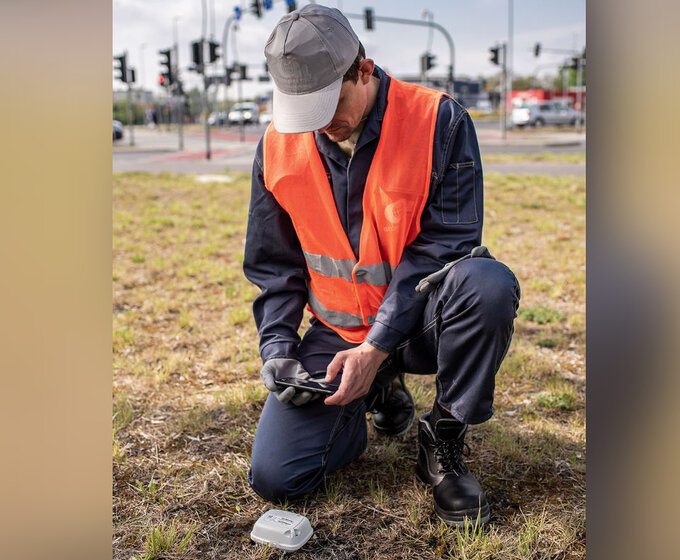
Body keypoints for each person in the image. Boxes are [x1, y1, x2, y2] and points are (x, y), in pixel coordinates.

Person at [243, 4, 520, 526]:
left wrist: (377, 347)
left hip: (419, 327)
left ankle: (442, 440)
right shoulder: (277, 144)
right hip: (337, 334)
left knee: (486, 285)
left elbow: (448, 245)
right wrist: (278, 351)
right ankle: (371, 393)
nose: (320, 126)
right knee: (278, 478)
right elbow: (273, 266)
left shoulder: (440, 120)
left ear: (364, 70)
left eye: (331, 105)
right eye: (306, 112)